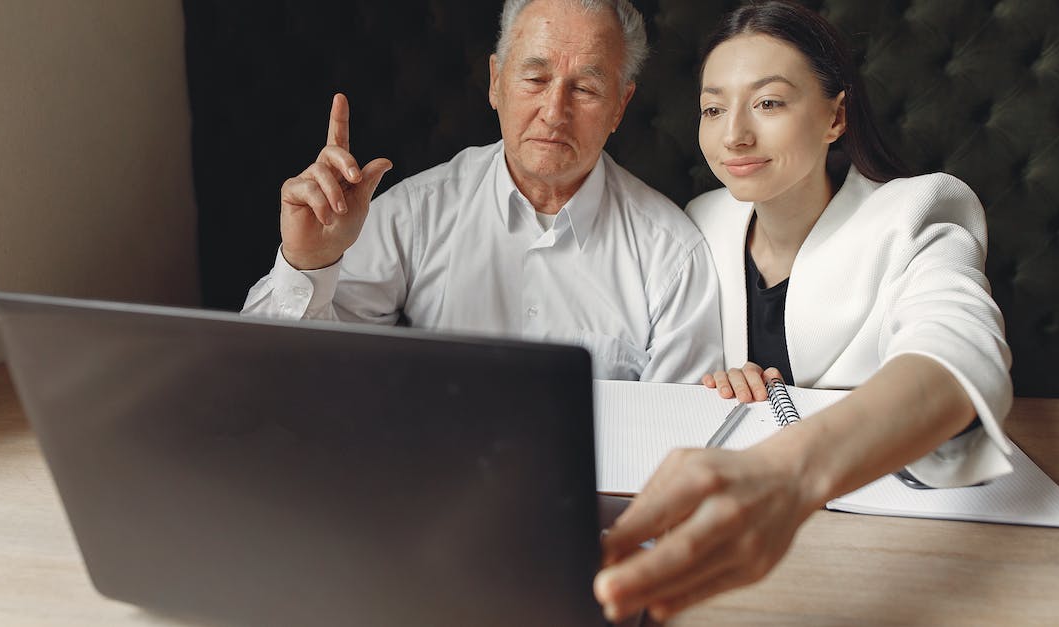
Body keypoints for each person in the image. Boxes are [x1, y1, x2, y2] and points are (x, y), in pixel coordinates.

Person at [594, 1, 1013, 620]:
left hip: (891, 545)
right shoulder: (700, 224)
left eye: (768, 102)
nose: (734, 134)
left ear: (835, 116)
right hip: (731, 553)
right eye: (713, 108)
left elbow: (957, 352)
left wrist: (786, 475)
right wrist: (718, 383)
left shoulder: (917, 213)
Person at [242, 0, 722, 382]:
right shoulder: (418, 213)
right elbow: (279, 375)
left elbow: (679, 447)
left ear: (620, 105)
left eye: (586, 90)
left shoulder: (673, 255)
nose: (554, 112)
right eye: (535, 78)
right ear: (496, 82)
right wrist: (308, 263)